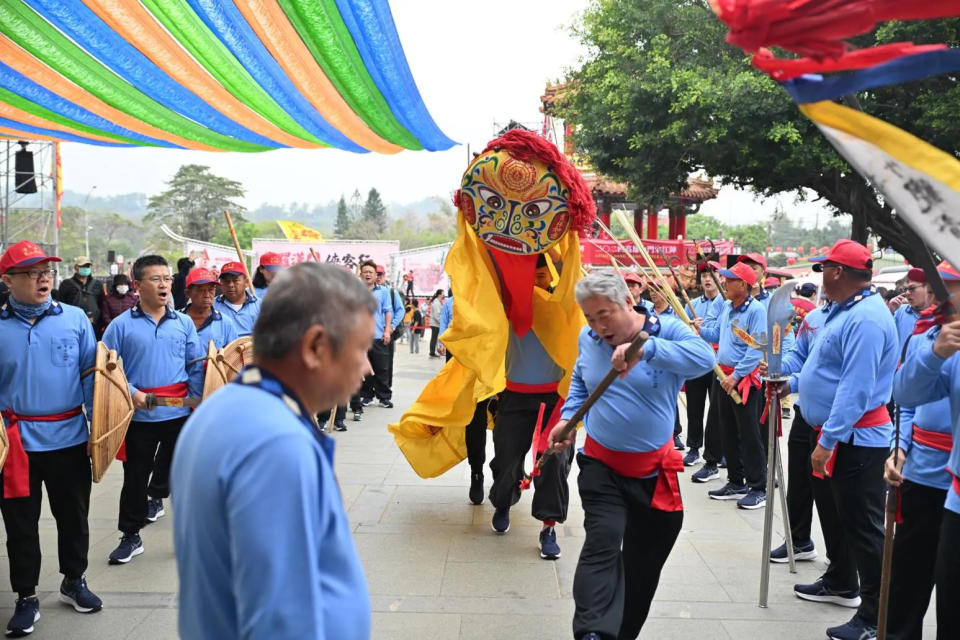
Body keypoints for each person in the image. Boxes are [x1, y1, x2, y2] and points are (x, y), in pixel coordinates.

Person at [172, 263, 373, 640]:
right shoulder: (277, 445)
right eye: (361, 349)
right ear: (315, 346)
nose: (367, 369)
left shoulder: (222, 408)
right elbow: (280, 620)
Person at [548, 271, 715, 640]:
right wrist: (568, 419)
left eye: (604, 314)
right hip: (601, 466)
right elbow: (581, 379)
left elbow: (704, 358)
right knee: (602, 540)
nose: (597, 325)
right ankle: (592, 633)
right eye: (590, 317)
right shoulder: (588, 339)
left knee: (642, 566)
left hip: (653, 472)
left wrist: (647, 349)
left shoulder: (666, 329)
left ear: (627, 301)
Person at [781, 239, 897, 640]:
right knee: (838, 515)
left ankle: (877, 616)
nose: (821, 279)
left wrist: (827, 441)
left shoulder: (865, 318)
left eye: (823, 270)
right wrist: (792, 382)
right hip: (837, 433)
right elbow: (820, 367)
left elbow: (856, 388)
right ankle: (841, 580)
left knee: (864, 526)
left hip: (857, 439)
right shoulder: (839, 312)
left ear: (836, 272)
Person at [0, 241, 102, 636]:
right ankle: (26, 596)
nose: (43, 278)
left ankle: (74, 581)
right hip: (15, 445)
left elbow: (93, 377)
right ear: (7, 281)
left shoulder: (75, 319)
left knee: (72, 517)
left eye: (46, 271)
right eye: (31, 272)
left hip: (69, 438)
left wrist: (98, 431)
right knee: (20, 524)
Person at [102, 255, 204, 565]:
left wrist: (198, 398)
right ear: (137, 285)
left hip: (179, 411)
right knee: (134, 476)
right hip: (138, 416)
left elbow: (195, 365)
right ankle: (130, 536)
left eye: (167, 279)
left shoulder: (183, 322)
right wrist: (131, 393)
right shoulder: (120, 326)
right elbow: (106, 368)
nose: (164, 285)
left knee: (181, 476)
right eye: (156, 279)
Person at [882, 260, 956, 640]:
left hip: (953, 478)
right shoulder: (925, 334)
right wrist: (900, 447)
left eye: (949, 287)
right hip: (922, 469)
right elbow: (905, 400)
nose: (943, 296)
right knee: (908, 574)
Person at [141, 267, 239, 523]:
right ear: (188, 292)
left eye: (211, 290)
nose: (207, 295)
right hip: (180, 399)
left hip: (213, 399)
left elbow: (233, 362)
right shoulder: (174, 320)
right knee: (171, 451)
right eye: (201, 289)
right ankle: (157, 495)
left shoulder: (224, 324)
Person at [696, 261, 767, 509]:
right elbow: (718, 335)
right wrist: (700, 329)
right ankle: (736, 481)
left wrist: (736, 376)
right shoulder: (727, 306)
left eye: (729, 279)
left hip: (743, 379)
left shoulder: (756, 310)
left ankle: (758, 486)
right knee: (726, 430)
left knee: (749, 434)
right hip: (722, 376)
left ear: (743, 285)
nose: (724, 283)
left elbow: (757, 348)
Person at [683, 267, 723, 467]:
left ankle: (717, 450)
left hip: (717, 362)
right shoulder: (693, 304)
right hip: (696, 361)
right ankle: (693, 447)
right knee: (694, 406)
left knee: (717, 410)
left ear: (720, 278)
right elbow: (680, 328)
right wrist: (690, 325)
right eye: (705, 276)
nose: (708, 279)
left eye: (712, 276)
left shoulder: (725, 304)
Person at [357, 260, 401, 409]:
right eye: (365, 272)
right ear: (361, 275)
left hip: (379, 335)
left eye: (371, 272)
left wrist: (388, 330)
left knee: (382, 368)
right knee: (365, 368)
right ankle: (367, 395)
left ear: (376, 275)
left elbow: (388, 311)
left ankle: (384, 397)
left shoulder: (384, 292)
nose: (368, 275)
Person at [213, 261, 262, 337]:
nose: (231, 285)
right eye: (226, 281)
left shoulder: (259, 306)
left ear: (246, 283)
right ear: (220, 284)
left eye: (235, 280)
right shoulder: (212, 306)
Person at [891, 269, 935, 350]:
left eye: (912, 288)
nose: (907, 293)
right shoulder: (900, 312)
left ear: (928, 288)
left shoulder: (941, 318)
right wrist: (890, 311)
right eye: (905, 289)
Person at [58, 255, 103, 332]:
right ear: (76, 267)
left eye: (88, 266)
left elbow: (102, 304)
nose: (86, 268)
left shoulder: (97, 284)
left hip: (94, 327)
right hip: (72, 327)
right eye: (83, 266)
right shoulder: (66, 284)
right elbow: (61, 305)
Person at [428, 289, 444, 357]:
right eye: (443, 294)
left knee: (435, 338)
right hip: (435, 324)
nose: (444, 295)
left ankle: (434, 351)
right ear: (439, 294)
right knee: (434, 338)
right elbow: (436, 315)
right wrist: (442, 323)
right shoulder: (436, 303)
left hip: (436, 323)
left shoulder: (438, 302)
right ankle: (432, 352)